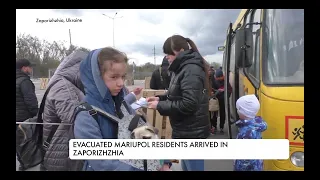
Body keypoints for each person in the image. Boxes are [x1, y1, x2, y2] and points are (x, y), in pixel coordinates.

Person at [73, 47, 171, 171]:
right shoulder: (86, 114)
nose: (120, 83)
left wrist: (162, 161)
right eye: (114, 77)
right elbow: (102, 163)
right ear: (96, 78)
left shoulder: (121, 104)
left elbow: (144, 130)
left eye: (122, 77)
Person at [147, 35, 211, 171]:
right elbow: (176, 95)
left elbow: (189, 104)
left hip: (193, 133)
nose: (167, 57)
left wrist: (160, 106)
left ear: (181, 51)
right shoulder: (181, 68)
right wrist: (160, 99)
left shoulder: (191, 69)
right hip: (185, 130)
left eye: (169, 54)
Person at [234, 94, 267, 171]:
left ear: (245, 112)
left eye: (239, 109)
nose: (237, 111)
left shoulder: (247, 133)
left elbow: (245, 160)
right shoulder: (255, 125)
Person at [16, 58, 38, 171]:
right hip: (24, 120)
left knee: (18, 144)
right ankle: (27, 165)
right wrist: (38, 116)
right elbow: (31, 101)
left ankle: (23, 164)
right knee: (27, 144)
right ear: (24, 68)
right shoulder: (24, 81)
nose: (31, 69)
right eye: (29, 67)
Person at [211, 68, 232, 134]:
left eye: (220, 77)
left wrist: (225, 94)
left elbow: (229, 90)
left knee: (222, 114)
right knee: (214, 114)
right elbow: (211, 90)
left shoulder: (225, 81)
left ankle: (221, 127)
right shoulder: (213, 81)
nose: (219, 78)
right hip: (215, 101)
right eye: (218, 77)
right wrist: (218, 91)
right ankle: (214, 126)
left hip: (223, 100)